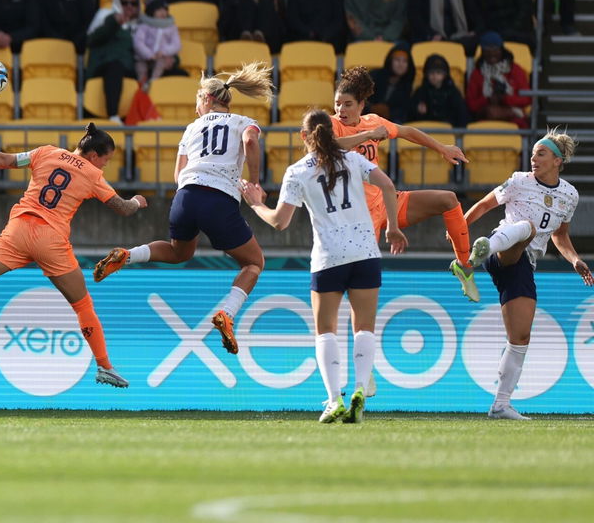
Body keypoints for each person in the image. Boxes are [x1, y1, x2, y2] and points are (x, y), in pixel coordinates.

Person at [0, 123, 147, 390]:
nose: (104, 166)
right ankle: (104, 366)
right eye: (106, 160)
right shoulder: (92, 174)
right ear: (93, 156)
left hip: (19, 228)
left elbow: (4, 160)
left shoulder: (46, 152)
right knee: (82, 306)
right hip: (51, 238)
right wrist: (137, 200)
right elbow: (123, 208)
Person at [95, 64, 275, 355]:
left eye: (196, 102)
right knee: (254, 263)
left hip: (185, 197)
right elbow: (251, 142)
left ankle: (128, 255)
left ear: (206, 99)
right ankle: (227, 314)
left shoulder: (191, 129)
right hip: (219, 200)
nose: (195, 109)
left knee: (180, 252)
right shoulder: (244, 121)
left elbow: (178, 176)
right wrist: (254, 182)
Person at [243, 108, 405, 424]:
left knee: (326, 331)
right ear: (332, 133)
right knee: (364, 328)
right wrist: (393, 227)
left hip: (329, 257)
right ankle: (360, 389)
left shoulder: (298, 171)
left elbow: (279, 222)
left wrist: (255, 203)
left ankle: (334, 400)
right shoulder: (353, 160)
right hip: (365, 252)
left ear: (304, 137)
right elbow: (387, 185)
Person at [463, 130, 589, 419]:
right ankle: (476, 254)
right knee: (528, 228)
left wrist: (574, 259)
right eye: (532, 154)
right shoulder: (519, 180)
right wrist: (460, 229)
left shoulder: (570, 194)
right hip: (502, 250)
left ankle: (500, 405)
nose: (533, 158)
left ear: (558, 160)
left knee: (520, 336)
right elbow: (484, 204)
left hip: (523, 263)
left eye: (540, 154)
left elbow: (561, 235)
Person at [330, 66, 479, 300]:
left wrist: (441, 148)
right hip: (356, 215)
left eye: (347, 104)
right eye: (337, 103)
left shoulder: (373, 121)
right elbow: (332, 145)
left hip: (386, 203)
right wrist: (368, 136)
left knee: (448, 199)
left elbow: (407, 131)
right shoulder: (332, 124)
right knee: (360, 284)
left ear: (361, 105)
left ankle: (463, 265)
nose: (340, 109)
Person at [85, 0, 139, 122]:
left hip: (129, 68)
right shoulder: (105, 15)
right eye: (124, 2)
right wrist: (113, 23)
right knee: (115, 67)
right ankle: (113, 114)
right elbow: (92, 39)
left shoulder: (140, 25)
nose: (129, 6)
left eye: (133, 3)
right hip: (102, 65)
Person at [466, 31, 531, 127]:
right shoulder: (477, 73)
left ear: (502, 50)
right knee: (490, 112)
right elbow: (471, 103)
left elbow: (527, 99)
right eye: (487, 50)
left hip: (513, 114)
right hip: (485, 115)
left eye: (495, 49)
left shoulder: (515, 70)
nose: (492, 54)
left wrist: (505, 99)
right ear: (482, 52)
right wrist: (488, 99)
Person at [132, 0, 183, 90]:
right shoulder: (144, 26)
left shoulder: (171, 27)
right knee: (140, 67)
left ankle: (153, 83)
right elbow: (138, 42)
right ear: (151, 11)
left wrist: (163, 52)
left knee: (160, 64)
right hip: (144, 57)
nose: (163, 12)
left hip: (161, 57)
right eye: (159, 10)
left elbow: (176, 45)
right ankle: (141, 86)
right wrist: (149, 54)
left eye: (165, 9)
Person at [410, 53, 468, 128]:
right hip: (425, 131)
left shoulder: (453, 92)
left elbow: (462, 116)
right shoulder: (420, 92)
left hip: (448, 133)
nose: (435, 76)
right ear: (426, 74)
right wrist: (417, 111)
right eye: (431, 73)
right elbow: (410, 116)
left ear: (445, 75)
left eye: (438, 73)